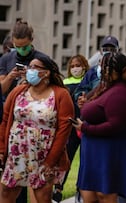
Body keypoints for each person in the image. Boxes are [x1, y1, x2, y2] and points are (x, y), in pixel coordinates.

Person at [0, 55, 74, 203]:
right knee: (6, 192)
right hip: (17, 153)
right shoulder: (18, 91)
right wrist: (2, 150)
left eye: (34, 67)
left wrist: (50, 161)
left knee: (42, 197)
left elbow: (64, 131)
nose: (29, 70)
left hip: (45, 155)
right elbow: (5, 120)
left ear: (45, 73)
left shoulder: (61, 94)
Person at [72, 52, 126, 203]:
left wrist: (85, 129)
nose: (100, 70)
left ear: (115, 70)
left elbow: (116, 125)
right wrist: (85, 104)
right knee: (88, 191)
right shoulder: (106, 85)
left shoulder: (120, 92)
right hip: (95, 148)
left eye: (104, 67)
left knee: (105, 193)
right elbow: (95, 103)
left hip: (109, 149)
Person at [0, 19, 49, 203]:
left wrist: (34, 80)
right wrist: (11, 78)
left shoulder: (42, 59)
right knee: (13, 176)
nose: (21, 50)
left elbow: (50, 89)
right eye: (17, 46)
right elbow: (2, 89)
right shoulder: (6, 59)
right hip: (12, 120)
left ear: (32, 40)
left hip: (35, 122)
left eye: (25, 46)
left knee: (35, 176)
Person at [52, 54, 90, 202]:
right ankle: (58, 188)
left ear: (84, 66)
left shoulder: (88, 82)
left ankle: (81, 188)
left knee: (85, 160)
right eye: (72, 66)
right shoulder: (65, 83)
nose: (75, 68)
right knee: (66, 158)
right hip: (70, 126)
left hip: (86, 125)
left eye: (78, 65)